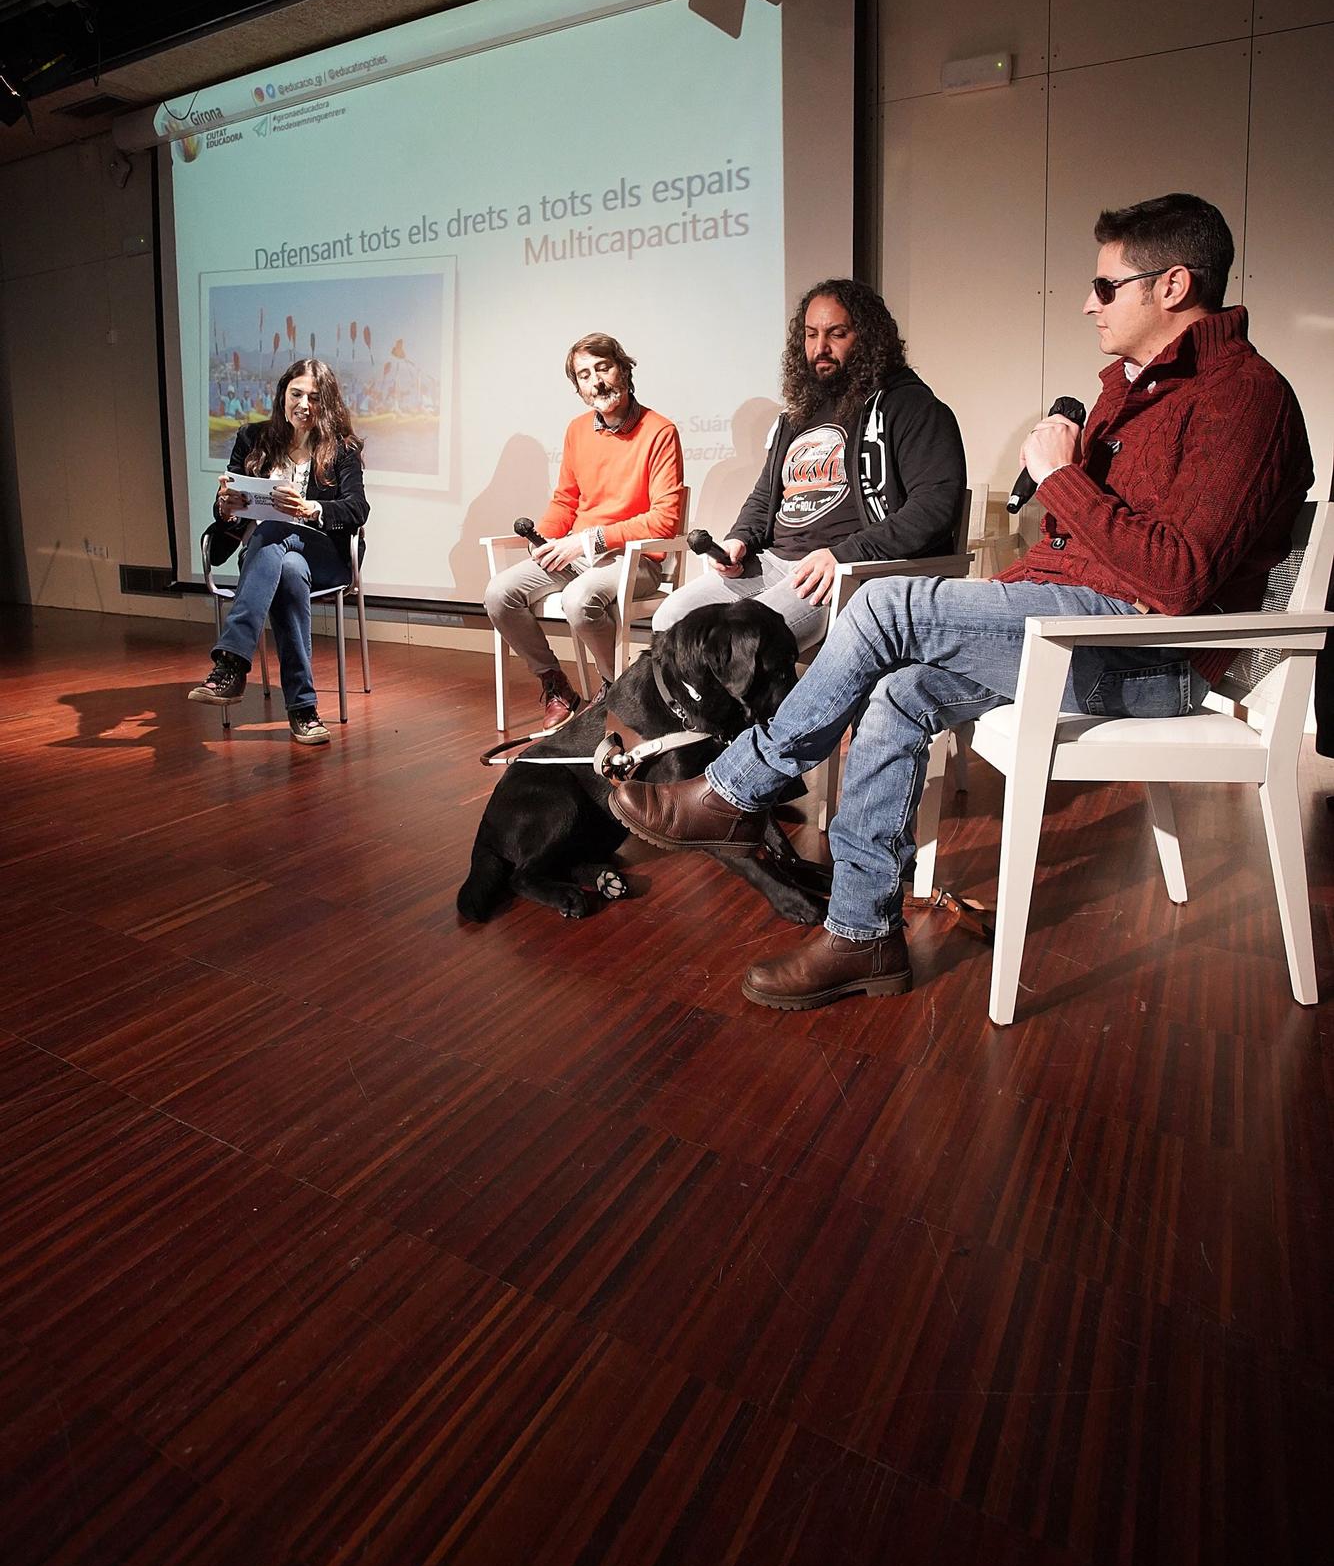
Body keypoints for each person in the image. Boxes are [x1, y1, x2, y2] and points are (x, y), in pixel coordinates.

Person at [609, 194, 1314, 1009]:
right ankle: (863, 932)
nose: (1088, 301)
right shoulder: (1128, 390)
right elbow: (1077, 553)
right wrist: (996, 582)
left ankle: (737, 791)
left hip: (1153, 656)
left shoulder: (1245, 397)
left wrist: (1060, 477)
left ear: (1173, 286)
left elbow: (1180, 579)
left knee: (880, 607)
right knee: (898, 689)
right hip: (1073, 623)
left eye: (1106, 284)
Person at [653, 279, 965, 649]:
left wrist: (843, 554)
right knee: (670, 619)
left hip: (842, 570)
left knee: (742, 641)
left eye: (837, 334)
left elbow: (934, 507)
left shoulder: (911, 407)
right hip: (773, 562)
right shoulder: (798, 413)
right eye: (811, 334)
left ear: (868, 338)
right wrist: (740, 539)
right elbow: (765, 494)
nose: (820, 348)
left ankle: (763, 709)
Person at [485, 333, 685, 728]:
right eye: (584, 375)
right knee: (499, 593)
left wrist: (589, 540)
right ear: (577, 389)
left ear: (623, 369)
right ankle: (555, 683)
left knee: (579, 599)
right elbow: (565, 500)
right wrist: (542, 540)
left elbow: (664, 519)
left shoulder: (660, 431)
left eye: (603, 367)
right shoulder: (577, 430)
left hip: (636, 560)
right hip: (579, 555)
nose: (597, 381)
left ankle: (619, 689)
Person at [188, 358, 369, 745]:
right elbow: (228, 513)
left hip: (325, 555)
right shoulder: (252, 439)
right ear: (283, 396)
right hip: (269, 557)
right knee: (286, 567)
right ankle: (303, 709)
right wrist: (227, 506)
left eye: (315, 397)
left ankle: (232, 662)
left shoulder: (343, 449)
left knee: (274, 530)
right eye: (296, 394)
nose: (304, 404)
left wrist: (310, 508)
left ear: (328, 403)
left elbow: (357, 508)